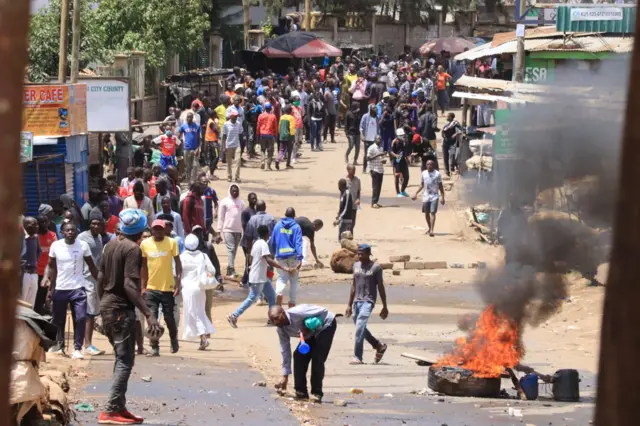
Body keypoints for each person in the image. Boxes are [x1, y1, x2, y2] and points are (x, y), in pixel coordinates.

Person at [96, 209, 162, 425]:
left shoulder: (110, 246)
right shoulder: (133, 249)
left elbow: (100, 278)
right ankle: (111, 410)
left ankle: (119, 406)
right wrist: (149, 313)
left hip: (108, 307)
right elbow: (129, 285)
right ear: (141, 230)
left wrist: (102, 306)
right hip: (119, 310)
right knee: (125, 360)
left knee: (120, 357)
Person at [46, 221, 98, 359]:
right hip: (61, 288)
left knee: (80, 317)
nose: (70, 232)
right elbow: (51, 267)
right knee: (58, 319)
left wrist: (102, 282)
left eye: (73, 230)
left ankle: (77, 348)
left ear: (77, 232)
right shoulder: (55, 245)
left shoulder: (83, 245)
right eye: (67, 230)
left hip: (78, 288)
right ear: (62, 232)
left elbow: (92, 266)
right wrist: (50, 288)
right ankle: (59, 345)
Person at [270, 304, 337, 403]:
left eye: (276, 318)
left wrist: (309, 328)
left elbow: (324, 312)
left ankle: (316, 393)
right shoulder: (281, 329)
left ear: (283, 313)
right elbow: (285, 351)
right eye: (272, 320)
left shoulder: (299, 312)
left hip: (325, 325)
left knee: (317, 357)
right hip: (309, 333)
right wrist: (285, 375)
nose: (275, 322)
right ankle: (301, 391)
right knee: (298, 356)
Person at [227, 225, 290, 327]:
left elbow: (252, 259)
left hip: (262, 277)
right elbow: (268, 259)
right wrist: (283, 267)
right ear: (267, 233)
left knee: (271, 296)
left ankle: (272, 319)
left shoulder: (256, 243)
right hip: (257, 278)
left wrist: (264, 267)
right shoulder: (263, 244)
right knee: (251, 298)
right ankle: (234, 315)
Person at [141, 219, 182, 356]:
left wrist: (178, 283)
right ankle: (154, 346)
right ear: (151, 230)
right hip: (151, 288)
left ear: (165, 230)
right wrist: (143, 286)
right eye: (155, 229)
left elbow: (178, 263)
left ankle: (173, 339)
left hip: (167, 287)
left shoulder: (172, 242)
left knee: (169, 317)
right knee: (152, 318)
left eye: (160, 229)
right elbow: (143, 267)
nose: (158, 231)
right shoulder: (145, 244)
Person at [345, 244, 389, 364]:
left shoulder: (376, 268)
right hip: (356, 301)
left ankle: (357, 356)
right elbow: (353, 285)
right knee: (361, 327)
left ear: (368, 254)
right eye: (358, 253)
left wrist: (384, 306)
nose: (359, 256)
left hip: (368, 301)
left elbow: (380, 287)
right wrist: (349, 305)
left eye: (362, 253)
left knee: (360, 326)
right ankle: (378, 345)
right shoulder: (356, 266)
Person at [77, 210, 107, 356]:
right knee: (88, 313)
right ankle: (86, 345)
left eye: (98, 224)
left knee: (93, 312)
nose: (95, 226)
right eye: (93, 223)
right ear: (89, 224)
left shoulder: (100, 237)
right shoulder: (82, 238)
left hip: (97, 280)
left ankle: (87, 344)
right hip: (86, 279)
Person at [180, 234, 216, 350]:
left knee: (192, 313)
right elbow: (212, 270)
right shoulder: (203, 256)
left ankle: (203, 337)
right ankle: (203, 337)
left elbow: (176, 272)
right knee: (200, 312)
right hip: (200, 288)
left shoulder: (182, 257)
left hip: (188, 288)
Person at [270, 208, 303, 307]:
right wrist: (300, 258)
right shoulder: (296, 227)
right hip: (293, 257)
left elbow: (273, 241)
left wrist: (273, 253)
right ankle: (292, 303)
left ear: (285, 215)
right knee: (293, 282)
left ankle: (279, 294)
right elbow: (298, 243)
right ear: (294, 216)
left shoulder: (278, 225)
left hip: (281, 257)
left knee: (281, 279)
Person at [411, 159, 445, 237]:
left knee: (432, 212)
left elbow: (440, 186)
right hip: (426, 196)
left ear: (433, 165)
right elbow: (422, 184)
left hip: (434, 196)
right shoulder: (424, 173)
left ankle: (432, 230)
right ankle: (430, 228)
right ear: (426, 165)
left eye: (431, 164)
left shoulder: (437, 174)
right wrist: (416, 193)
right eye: (428, 164)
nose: (429, 166)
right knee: (426, 213)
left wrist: (442, 197)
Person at [217, 184, 245, 277]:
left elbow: (243, 218)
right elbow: (220, 217)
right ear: (230, 191)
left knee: (234, 250)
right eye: (233, 191)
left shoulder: (241, 203)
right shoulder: (224, 202)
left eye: (236, 191)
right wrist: (218, 231)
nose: (235, 192)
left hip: (238, 230)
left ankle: (230, 266)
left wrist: (244, 231)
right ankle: (231, 269)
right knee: (231, 248)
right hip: (227, 229)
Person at [36, 215, 57, 315]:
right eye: (41, 222)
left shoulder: (52, 235)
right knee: (36, 296)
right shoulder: (35, 237)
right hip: (36, 271)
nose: (44, 224)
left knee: (45, 295)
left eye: (45, 222)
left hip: (47, 271)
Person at [21, 217, 41, 309]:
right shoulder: (19, 238)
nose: (37, 226)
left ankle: (27, 323)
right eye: (34, 224)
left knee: (31, 304)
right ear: (26, 225)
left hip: (34, 274)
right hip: (23, 274)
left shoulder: (36, 238)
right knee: (22, 302)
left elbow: (38, 251)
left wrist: (33, 262)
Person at [240, 192, 258, 286]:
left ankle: (245, 280)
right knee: (249, 261)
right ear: (248, 199)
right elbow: (244, 226)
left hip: (253, 241)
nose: (254, 200)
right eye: (252, 198)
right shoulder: (246, 212)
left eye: (255, 198)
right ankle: (245, 281)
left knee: (251, 261)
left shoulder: (255, 211)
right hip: (247, 241)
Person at [179, 112, 201, 183]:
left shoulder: (197, 126)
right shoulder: (183, 126)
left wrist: (198, 148)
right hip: (187, 149)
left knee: (194, 165)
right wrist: (180, 143)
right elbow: (179, 136)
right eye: (188, 117)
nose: (189, 118)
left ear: (192, 118)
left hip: (195, 149)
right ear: (186, 118)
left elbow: (199, 138)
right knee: (188, 166)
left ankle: (193, 180)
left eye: (190, 117)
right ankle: (188, 180)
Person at [222, 110, 243, 183]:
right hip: (229, 145)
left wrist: (242, 146)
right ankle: (229, 176)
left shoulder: (239, 124)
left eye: (236, 116)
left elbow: (240, 134)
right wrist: (223, 147)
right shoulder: (226, 124)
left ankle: (237, 177)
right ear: (231, 116)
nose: (235, 118)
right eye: (234, 116)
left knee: (238, 161)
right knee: (229, 163)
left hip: (237, 145)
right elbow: (224, 136)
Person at [257, 102, 278, 171]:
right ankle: (268, 165)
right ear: (270, 108)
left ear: (264, 108)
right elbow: (275, 127)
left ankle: (262, 161)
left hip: (262, 134)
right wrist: (275, 135)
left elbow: (258, 126)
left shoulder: (261, 116)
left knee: (263, 149)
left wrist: (257, 134)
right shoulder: (273, 116)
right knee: (270, 150)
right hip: (270, 135)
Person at [441, 112, 463, 177]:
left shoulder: (455, 123)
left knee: (452, 156)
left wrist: (455, 134)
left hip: (453, 143)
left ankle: (452, 169)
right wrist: (442, 132)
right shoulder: (446, 125)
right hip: (445, 142)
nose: (446, 117)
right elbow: (443, 134)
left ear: (451, 117)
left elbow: (461, 131)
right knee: (445, 157)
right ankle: (447, 172)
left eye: (447, 116)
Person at [360, 104, 380, 174]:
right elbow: (361, 127)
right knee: (366, 154)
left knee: (375, 154)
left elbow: (379, 129)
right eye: (374, 108)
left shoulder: (377, 118)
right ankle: (364, 168)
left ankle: (372, 169)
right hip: (367, 139)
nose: (376, 109)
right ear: (370, 109)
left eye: (376, 108)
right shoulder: (365, 117)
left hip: (375, 140)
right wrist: (362, 135)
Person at [367, 136, 386, 209]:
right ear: (374, 139)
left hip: (380, 169)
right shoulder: (371, 148)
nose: (380, 140)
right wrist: (378, 154)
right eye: (378, 138)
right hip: (374, 169)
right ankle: (373, 202)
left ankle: (376, 202)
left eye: (380, 139)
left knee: (379, 187)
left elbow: (380, 159)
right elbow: (368, 158)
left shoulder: (381, 148)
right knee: (375, 187)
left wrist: (383, 161)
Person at [390, 128, 410, 197]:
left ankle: (403, 190)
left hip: (403, 161)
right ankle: (398, 192)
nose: (402, 136)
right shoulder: (394, 142)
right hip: (396, 162)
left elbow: (405, 152)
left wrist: (407, 159)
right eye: (401, 135)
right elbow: (391, 151)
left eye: (403, 135)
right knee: (397, 177)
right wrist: (396, 155)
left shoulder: (404, 141)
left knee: (407, 177)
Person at [277, 105, 296, 170]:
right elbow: (292, 128)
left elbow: (279, 127)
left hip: (282, 136)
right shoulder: (291, 118)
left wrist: (280, 134)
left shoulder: (281, 117)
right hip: (289, 136)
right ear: (290, 111)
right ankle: (288, 164)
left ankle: (278, 160)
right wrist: (293, 136)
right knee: (289, 150)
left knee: (281, 149)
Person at [345, 165, 361, 234]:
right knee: (346, 223)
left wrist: (358, 199)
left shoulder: (357, 180)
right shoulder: (344, 180)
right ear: (348, 170)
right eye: (352, 170)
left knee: (353, 223)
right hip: (346, 205)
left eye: (354, 170)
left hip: (354, 205)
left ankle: (350, 237)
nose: (354, 172)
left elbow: (358, 191)